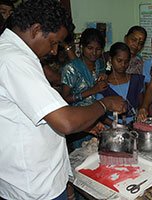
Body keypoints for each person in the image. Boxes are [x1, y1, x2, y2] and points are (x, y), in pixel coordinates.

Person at [0, 1, 126, 199]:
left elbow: (38, 114)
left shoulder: (15, 55)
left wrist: (84, 124)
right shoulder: (13, 60)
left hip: (39, 178)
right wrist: (106, 104)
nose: (53, 51)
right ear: (36, 30)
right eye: (53, 42)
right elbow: (65, 121)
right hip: (33, 187)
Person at [61, 28, 108, 149]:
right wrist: (92, 90)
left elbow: (103, 88)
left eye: (98, 49)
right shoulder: (71, 69)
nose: (94, 53)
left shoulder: (100, 64)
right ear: (81, 47)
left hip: (97, 118)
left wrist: (105, 78)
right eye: (90, 48)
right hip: (79, 122)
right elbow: (64, 99)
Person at [100, 42, 144, 124]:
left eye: (126, 61)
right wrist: (117, 126)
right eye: (119, 60)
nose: (123, 65)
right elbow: (100, 114)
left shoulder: (136, 80)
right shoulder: (103, 85)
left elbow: (141, 105)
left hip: (133, 128)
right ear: (110, 59)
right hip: (112, 129)